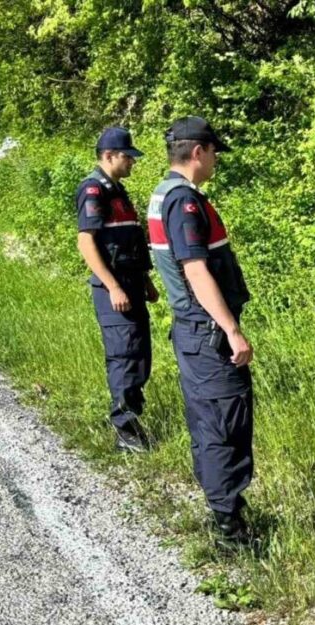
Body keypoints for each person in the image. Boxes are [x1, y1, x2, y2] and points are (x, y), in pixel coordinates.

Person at [147, 116, 255, 548]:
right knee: (222, 424)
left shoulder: (163, 195)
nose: (215, 161)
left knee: (212, 422)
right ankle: (230, 529)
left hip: (195, 331)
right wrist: (231, 329)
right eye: (213, 152)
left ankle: (227, 511)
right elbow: (194, 269)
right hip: (207, 331)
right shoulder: (184, 202)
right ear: (198, 152)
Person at [75, 126, 158, 453]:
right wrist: (112, 286)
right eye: (128, 157)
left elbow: (130, 241)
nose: (132, 162)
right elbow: (86, 242)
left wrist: (146, 281)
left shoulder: (118, 192)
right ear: (109, 156)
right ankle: (125, 432)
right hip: (115, 291)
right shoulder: (94, 190)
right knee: (124, 357)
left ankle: (133, 423)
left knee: (139, 356)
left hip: (132, 285)